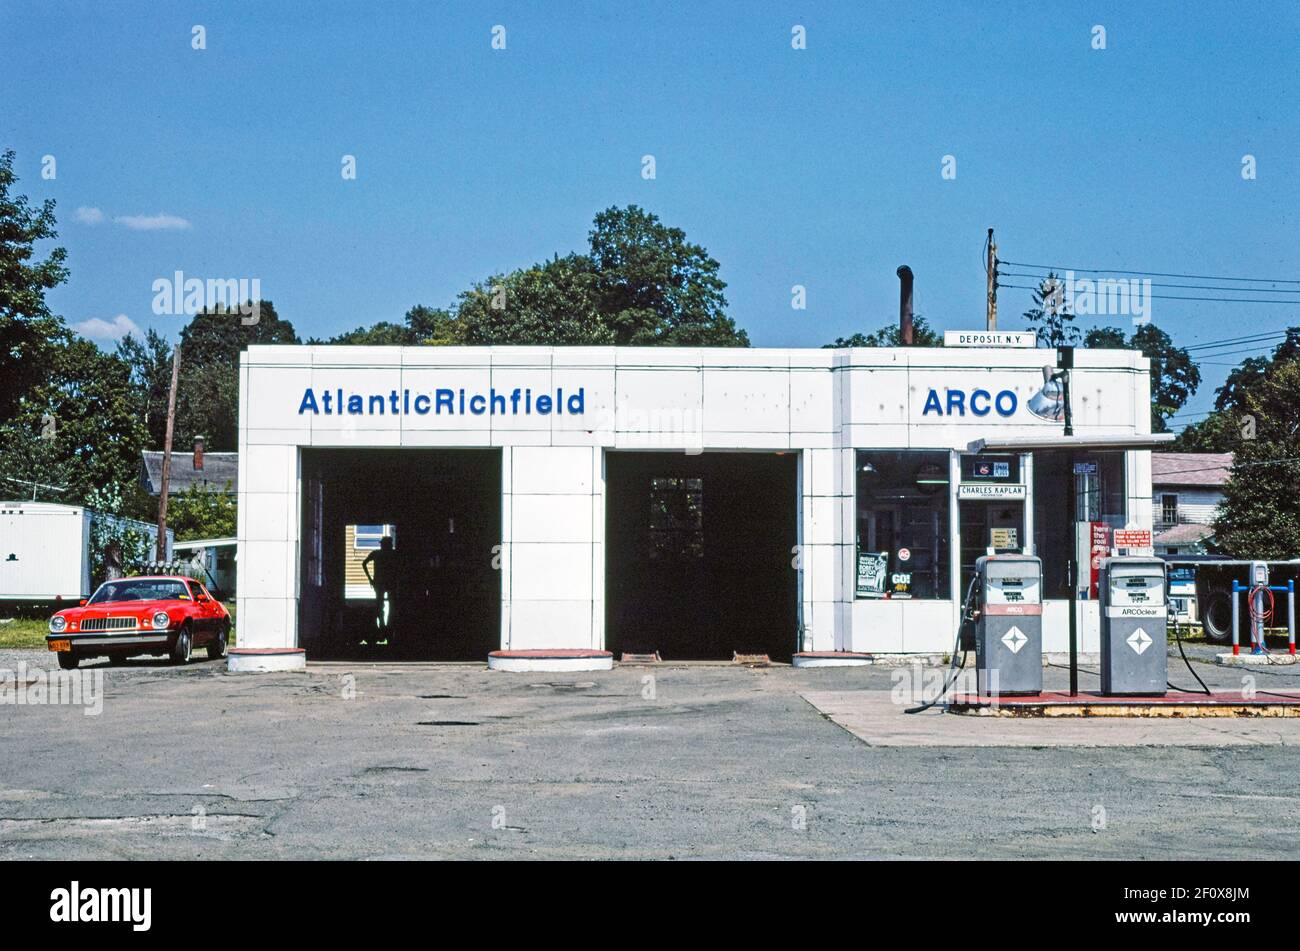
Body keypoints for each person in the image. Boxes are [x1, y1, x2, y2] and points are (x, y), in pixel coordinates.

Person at [362, 535, 399, 639]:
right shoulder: (393, 554)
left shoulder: (376, 553)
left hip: (379, 582)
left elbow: (364, 563)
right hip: (389, 583)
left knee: (380, 604)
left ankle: (383, 627)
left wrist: (370, 579)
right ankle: (388, 628)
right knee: (391, 605)